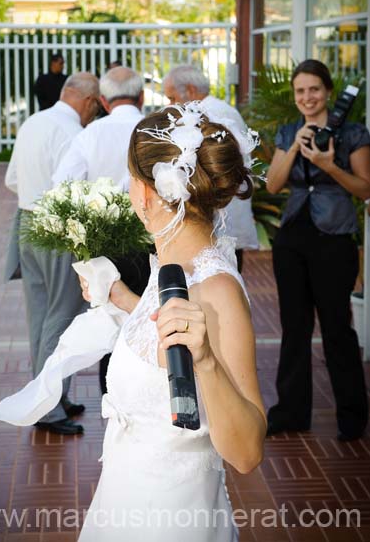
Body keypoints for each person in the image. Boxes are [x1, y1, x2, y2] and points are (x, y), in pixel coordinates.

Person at [76, 103, 266, 540]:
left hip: (173, 519)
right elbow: (161, 354)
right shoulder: (171, 267)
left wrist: (207, 363)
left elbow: (247, 452)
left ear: (144, 191)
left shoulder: (215, 291)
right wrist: (121, 298)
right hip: (122, 501)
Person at [266, 59, 370, 441]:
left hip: (334, 237)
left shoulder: (354, 133)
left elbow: (365, 188)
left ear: (327, 91)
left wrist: (329, 166)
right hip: (293, 236)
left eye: (313, 89)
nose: (307, 97)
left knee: (336, 327)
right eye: (300, 91)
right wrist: (295, 145)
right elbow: (275, 184)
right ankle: (291, 412)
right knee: (294, 327)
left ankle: (352, 417)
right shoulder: (288, 131)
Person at [5, 72, 100, 435]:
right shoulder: (73, 132)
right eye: (95, 107)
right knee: (61, 318)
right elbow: (77, 188)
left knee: (41, 318)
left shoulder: (34, 121)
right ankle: (48, 408)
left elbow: (11, 179)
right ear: (89, 101)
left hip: (27, 224)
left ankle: (53, 398)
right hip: (57, 227)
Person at [53, 66, 152, 394]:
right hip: (154, 242)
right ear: (141, 97)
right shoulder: (155, 130)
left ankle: (115, 399)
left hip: (106, 246)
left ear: (105, 102)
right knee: (150, 315)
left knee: (112, 324)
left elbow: (62, 186)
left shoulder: (90, 134)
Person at [163, 65, 258, 271]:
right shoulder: (221, 110)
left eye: (171, 98)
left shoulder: (205, 114)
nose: (170, 105)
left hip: (217, 220)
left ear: (189, 90)